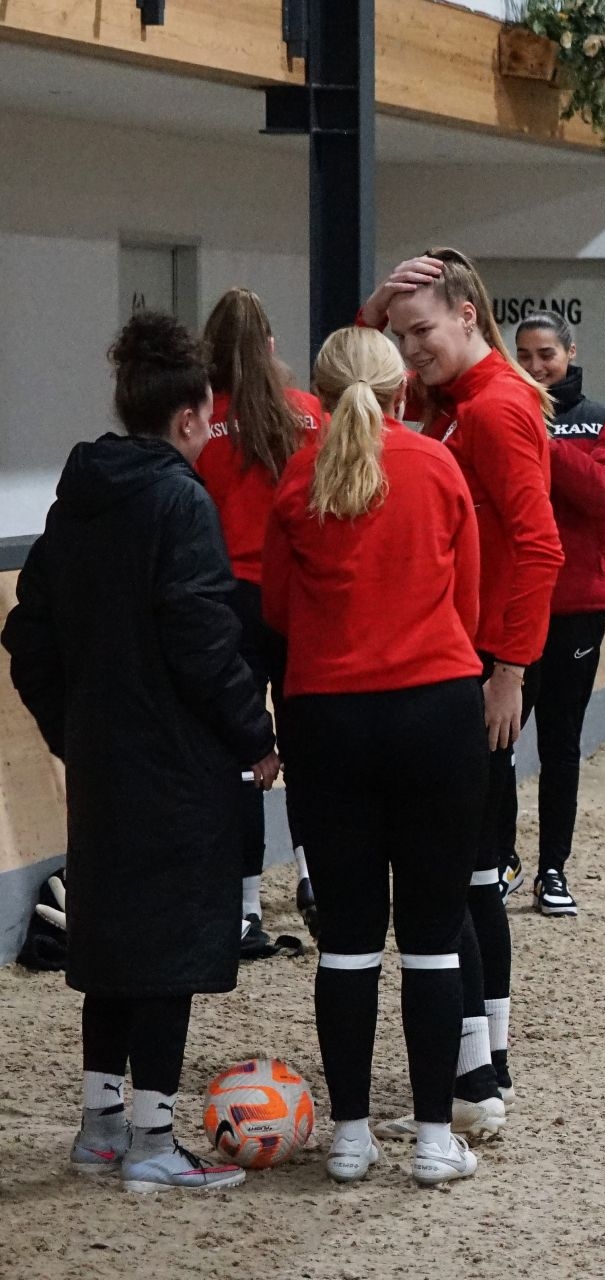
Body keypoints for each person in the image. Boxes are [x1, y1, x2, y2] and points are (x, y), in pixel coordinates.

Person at [3, 312, 278, 1191]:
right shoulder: (181, 502)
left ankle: (100, 1130)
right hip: (177, 768)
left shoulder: (77, 500)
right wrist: (255, 733)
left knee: (113, 945)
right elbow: (202, 639)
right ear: (191, 415)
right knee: (171, 950)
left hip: (104, 766)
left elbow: (27, 635)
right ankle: (155, 1142)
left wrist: (73, 729)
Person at [262, 325, 487, 1186]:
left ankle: (351, 1137)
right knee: (431, 938)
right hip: (435, 710)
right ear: (403, 392)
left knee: (348, 942)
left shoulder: (297, 477)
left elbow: (277, 610)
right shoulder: (438, 466)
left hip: (328, 719)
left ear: (319, 398)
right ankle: (432, 1140)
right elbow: (468, 600)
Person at [359, 248, 563, 1128]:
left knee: (459, 878)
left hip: (483, 666)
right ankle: (489, 1065)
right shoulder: (455, 399)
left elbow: (540, 546)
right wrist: (378, 305)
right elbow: (358, 375)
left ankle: (475, 1078)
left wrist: (509, 671)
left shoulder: (497, 408)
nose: (411, 351)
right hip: (465, 656)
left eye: (423, 332)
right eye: (401, 337)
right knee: (475, 876)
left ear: (468, 316)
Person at [197, 287, 324, 952]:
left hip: (229, 602)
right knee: (308, 746)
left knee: (244, 757)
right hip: (300, 598)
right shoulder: (309, 414)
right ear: (271, 346)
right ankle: (313, 876)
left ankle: (244, 907)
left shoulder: (200, 426)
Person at [513, 312, 605, 915]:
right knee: (496, 741)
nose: (536, 366)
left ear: (570, 352)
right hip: (514, 604)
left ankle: (552, 869)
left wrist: (546, 444)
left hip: (578, 605)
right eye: (525, 356)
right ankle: (498, 859)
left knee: (560, 743)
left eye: (546, 354)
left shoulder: (603, 421)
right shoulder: (503, 411)